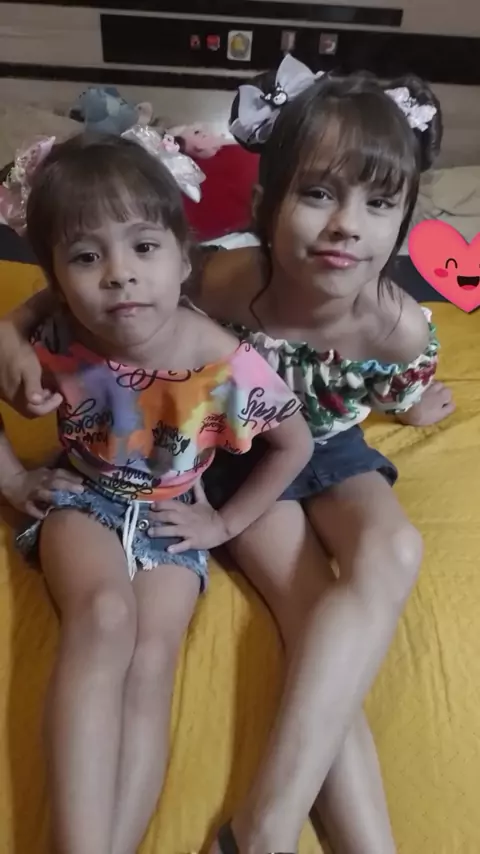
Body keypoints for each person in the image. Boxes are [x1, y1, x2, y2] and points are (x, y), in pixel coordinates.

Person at [0, 58, 455, 854]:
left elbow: (396, 386)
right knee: (309, 606)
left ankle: (272, 830)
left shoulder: (399, 323)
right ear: (264, 203)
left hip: (321, 444)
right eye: (318, 194)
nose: (347, 226)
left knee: (396, 549)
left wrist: (415, 406)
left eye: (380, 203)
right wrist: (10, 332)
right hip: (231, 454)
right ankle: (268, 832)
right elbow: (92, 277)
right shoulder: (219, 278)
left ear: (406, 217)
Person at [0, 132, 313, 854]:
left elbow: (293, 444)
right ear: (53, 276)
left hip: (174, 518)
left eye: (144, 248)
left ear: (183, 257)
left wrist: (224, 524)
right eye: (86, 258)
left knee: (151, 663)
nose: (120, 275)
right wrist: (14, 477)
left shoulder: (223, 360)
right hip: (85, 494)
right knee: (104, 617)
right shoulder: (57, 332)